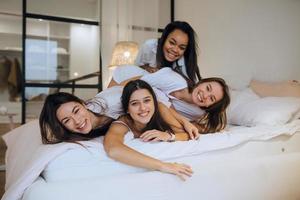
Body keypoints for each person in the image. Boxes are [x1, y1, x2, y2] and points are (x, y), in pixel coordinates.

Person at [39, 86, 197, 144]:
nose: (77, 121)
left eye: (76, 111)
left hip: (158, 104)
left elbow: (147, 96)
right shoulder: (75, 131)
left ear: (83, 104)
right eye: (67, 120)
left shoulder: (113, 101)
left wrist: (184, 121)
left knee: (191, 128)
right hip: (143, 119)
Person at [104, 80, 193, 181]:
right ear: (127, 109)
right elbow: (113, 150)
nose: (142, 108)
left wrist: (168, 136)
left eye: (147, 100)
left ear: (154, 102)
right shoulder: (122, 124)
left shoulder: (160, 109)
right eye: (134, 103)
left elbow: (185, 134)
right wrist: (163, 166)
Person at [112, 67, 230, 134]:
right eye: (207, 88)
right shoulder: (173, 80)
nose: (205, 96)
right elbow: (134, 85)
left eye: (211, 98)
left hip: (148, 93)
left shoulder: (198, 112)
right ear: (201, 82)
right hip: (127, 76)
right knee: (111, 102)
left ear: (211, 106)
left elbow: (216, 124)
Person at [108, 21, 200, 88]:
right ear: (164, 39)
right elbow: (137, 67)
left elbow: (186, 87)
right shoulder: (149, 46)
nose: (175, 50)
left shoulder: (183, 62)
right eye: (172, 43)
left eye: (181, 47)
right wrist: (147, 69)